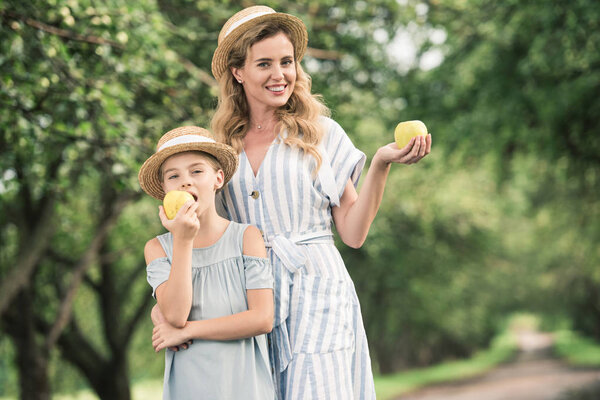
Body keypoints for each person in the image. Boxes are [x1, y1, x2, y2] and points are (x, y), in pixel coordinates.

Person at [207, 5, 432, 399]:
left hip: (317, 291)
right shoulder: (221, 151)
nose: (280, 75)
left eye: (287, 62)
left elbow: (354, 232)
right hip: (250, 300)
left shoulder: (321, 134)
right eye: (265, 64)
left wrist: (380, 163)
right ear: (238, 72)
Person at [139, 126, 276, 400]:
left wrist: (188, 331)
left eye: (196, 171)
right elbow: (176, 314)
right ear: (164, 189)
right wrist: (183, 240)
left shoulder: (246, 238)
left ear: (218, 178)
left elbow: (262, 319)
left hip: (244, 386)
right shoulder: (158, 249)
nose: (185, 182)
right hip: (190, 387)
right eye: (173, 176)